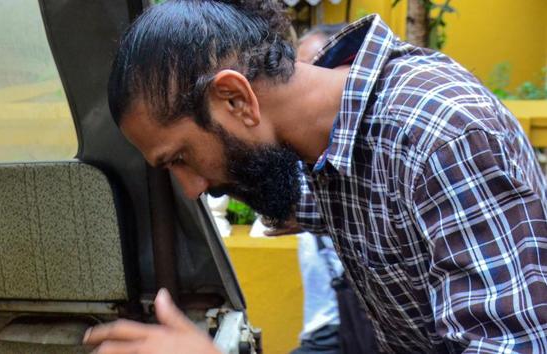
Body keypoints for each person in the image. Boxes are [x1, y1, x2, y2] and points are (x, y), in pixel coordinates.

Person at [85, 1, 547, 353]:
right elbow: (286, 197)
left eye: (180, 157)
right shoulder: (327, 148)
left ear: (235, 99)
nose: (192, 187)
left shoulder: (440, 137)